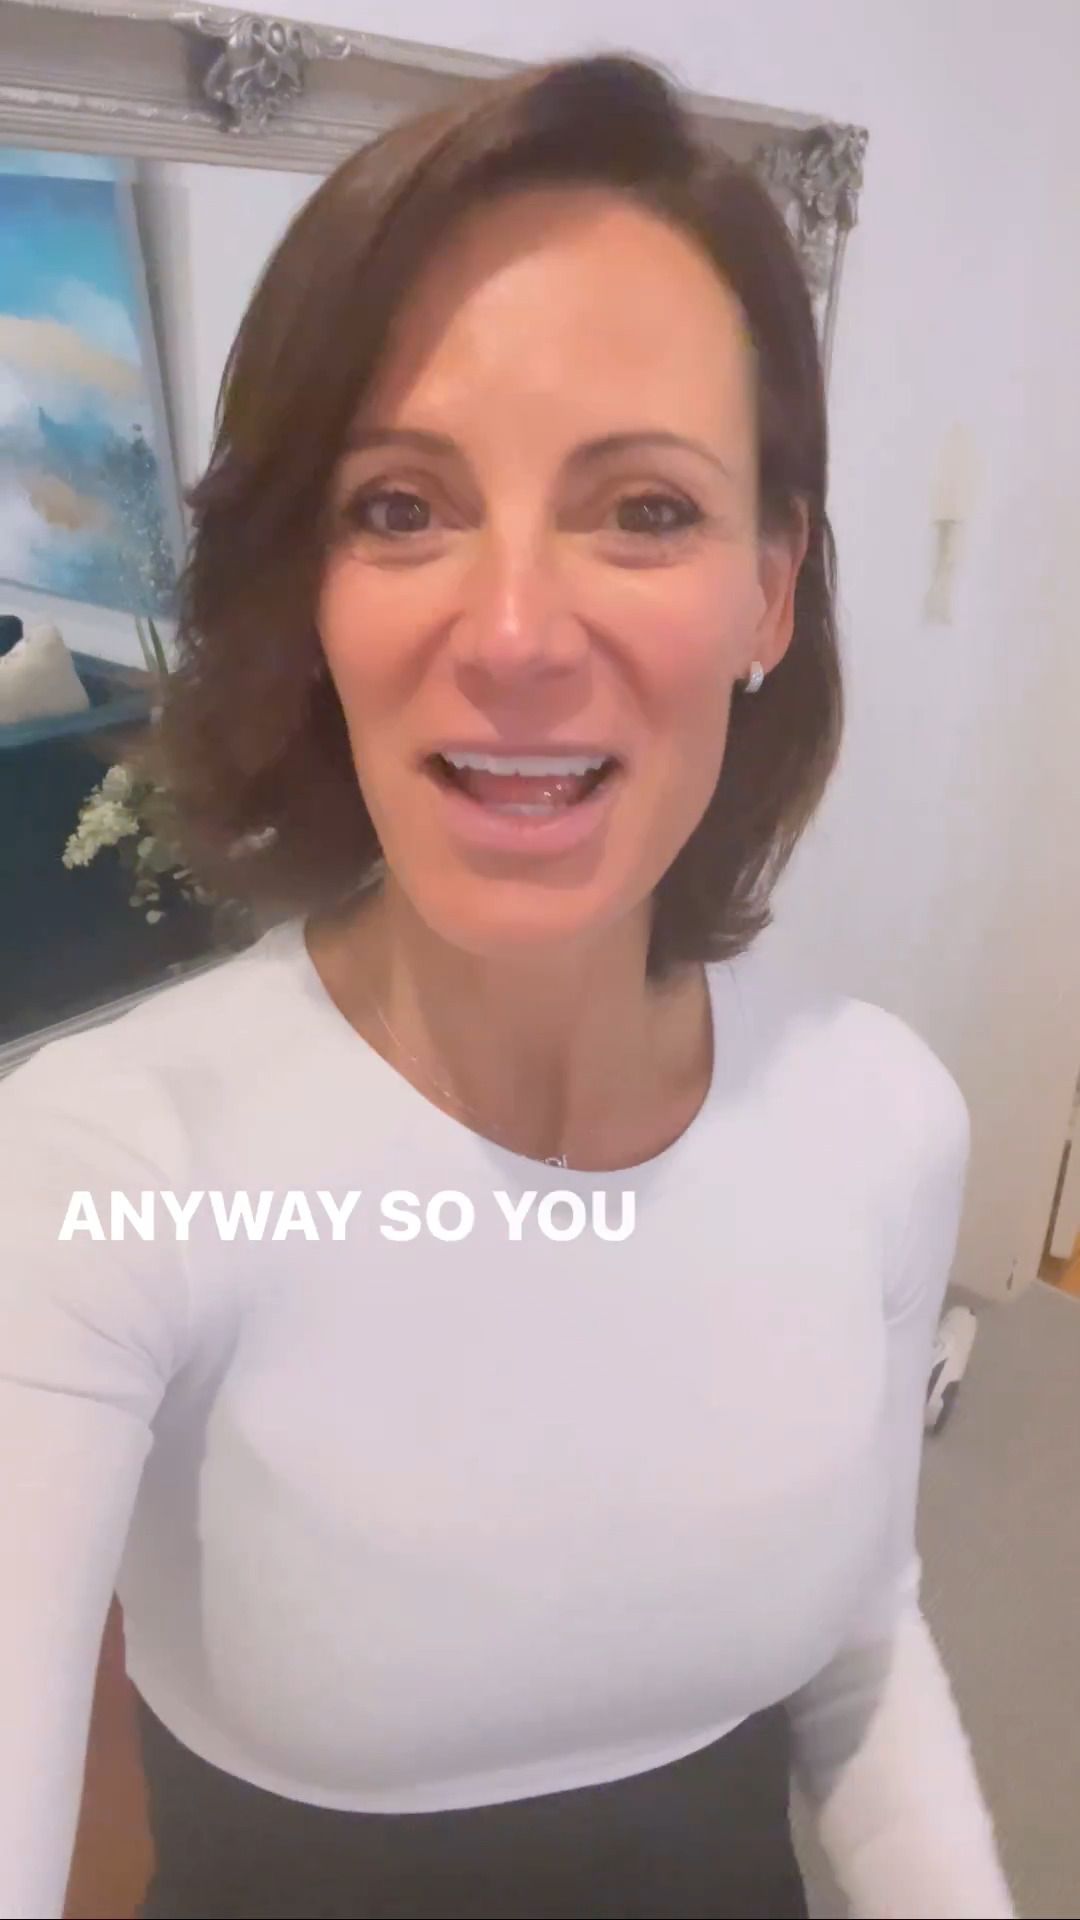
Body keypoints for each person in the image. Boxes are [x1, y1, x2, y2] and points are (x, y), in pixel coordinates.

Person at [0, 53, 1014, 1920]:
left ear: (771, 587)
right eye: (401, 508)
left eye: (644, 510)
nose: (520, 634)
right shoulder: (110, 1170)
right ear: (309, 590)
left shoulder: (882, 1123)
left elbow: (862, 1648)